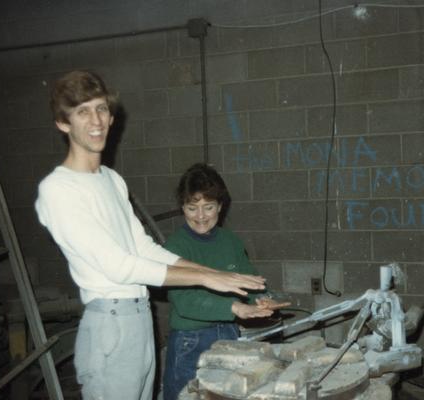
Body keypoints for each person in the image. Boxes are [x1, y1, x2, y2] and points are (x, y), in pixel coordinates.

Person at [34, 70, 266, 400]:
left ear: (111, 117)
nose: (96, 120)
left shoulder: (111, 180)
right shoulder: (59, 189)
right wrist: (205, 279)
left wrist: (211, 273)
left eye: (101, 108)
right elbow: (120, 266)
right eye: (82, 111)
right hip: (110, 323)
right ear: (62, 123)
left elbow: (143, 247)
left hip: (141, 320)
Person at [162, 163, 287, 400]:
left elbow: (249, 280)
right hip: (190, 342)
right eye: (192, 208)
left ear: (220, 206)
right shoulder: (175, 247)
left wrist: (263, 299)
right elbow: (185, 302)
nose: (200, 216)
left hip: (228, 333)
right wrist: (236, 308)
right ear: (182, 207)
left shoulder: (230, 241)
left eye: (208, 207)